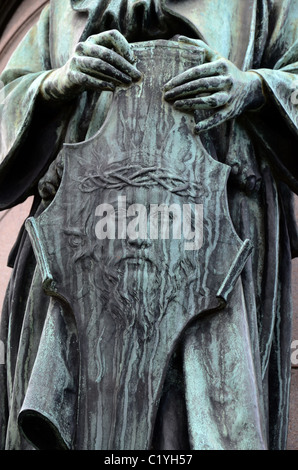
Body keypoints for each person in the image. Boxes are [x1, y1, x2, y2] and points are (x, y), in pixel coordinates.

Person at [0, 0, 297, 450]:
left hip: (215, 243)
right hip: (79, 240)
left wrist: (252, 88)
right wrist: (54, 86)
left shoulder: (266, 6)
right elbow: (9, 101)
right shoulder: (63, 11)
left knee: (200, 418)